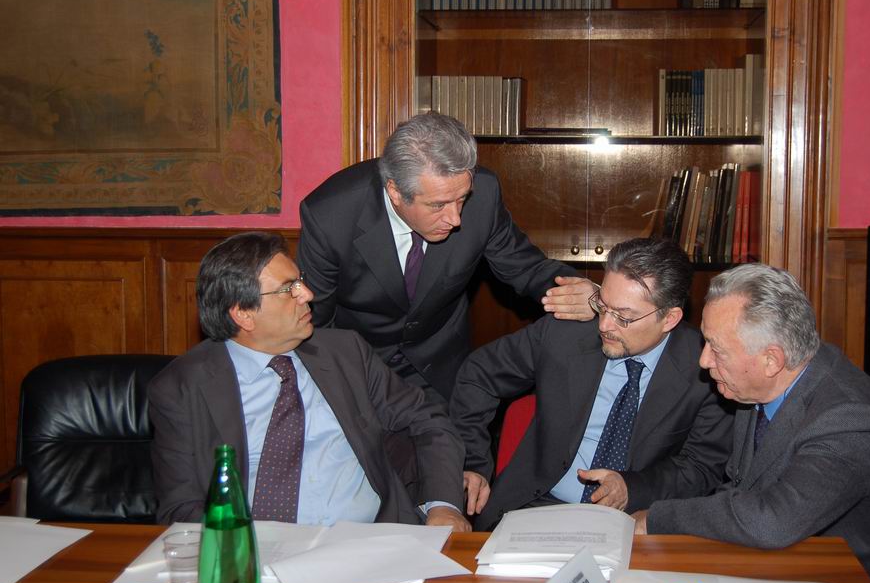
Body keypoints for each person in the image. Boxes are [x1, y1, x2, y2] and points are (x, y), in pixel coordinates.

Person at [633, 264, 870, 583]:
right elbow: (740, 490)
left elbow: (773, 521)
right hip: (793, 567)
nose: (704, 360)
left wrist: (657, 518)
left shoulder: (848, 415)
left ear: (772, 360)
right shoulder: (757, 385)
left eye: (717, 349)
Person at [149, 232, 470, 531]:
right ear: (243, 314)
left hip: (371, 539)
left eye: (299, 281)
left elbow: (428, 421)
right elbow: (181, 508)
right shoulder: (181, 388)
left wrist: (443, 506)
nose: (307, 295)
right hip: (257, 550)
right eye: (288, 289)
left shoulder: (345, 353)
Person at [296, 112, 595, 405]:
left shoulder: (484, 194)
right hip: (359, 369)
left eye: (462, 198)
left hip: (440, 369)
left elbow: (528, 268)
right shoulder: (330, 215)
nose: (455, 218)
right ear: (395, 192)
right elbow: (317, 322)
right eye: (438, 205)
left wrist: (587, 295)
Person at [449, 237, 734, 531]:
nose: (604, 325)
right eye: (602, 305)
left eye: (623, 317)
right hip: (536, 504)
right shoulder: (565, 333)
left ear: (670, 319)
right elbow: (479, 375)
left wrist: (633, 487)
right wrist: (472, 462)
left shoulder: (705, 369)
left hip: (634, 520)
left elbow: (702, 467)